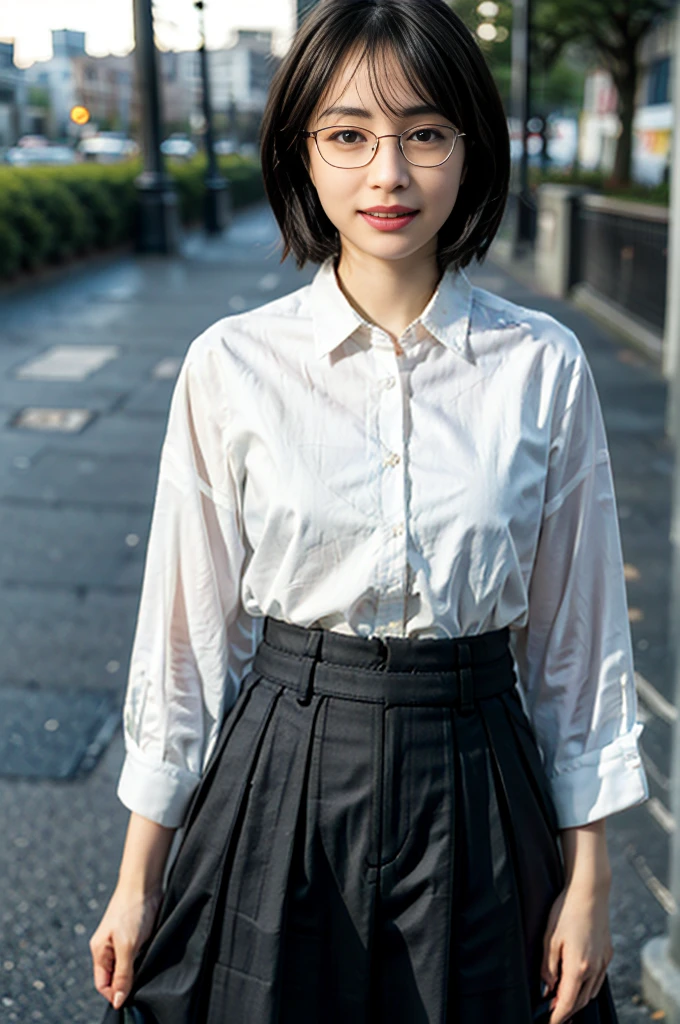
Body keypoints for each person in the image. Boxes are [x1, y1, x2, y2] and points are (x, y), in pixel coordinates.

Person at [90, 1, 649, 1021]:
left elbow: (576, 649)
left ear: (468, 150)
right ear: (300, 151)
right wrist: (136, 879)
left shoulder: (541, 368)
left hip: (478, 770)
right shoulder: (232, 366)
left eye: (423, 134)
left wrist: (591, 879)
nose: (386, 173)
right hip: (282, 763)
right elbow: (182, 640)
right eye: (348, 135)